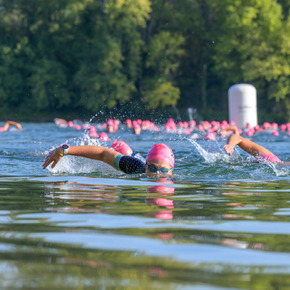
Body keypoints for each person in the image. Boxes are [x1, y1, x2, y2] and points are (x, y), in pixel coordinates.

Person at [43, 143, 175, 175]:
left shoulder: (179, 181)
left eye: (163, 170)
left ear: (171, 170)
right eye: (152, 168)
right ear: (146, 165)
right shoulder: (135, 167)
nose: (156, 174)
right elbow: (103, 153)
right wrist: (65, 150)